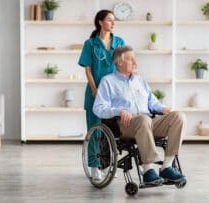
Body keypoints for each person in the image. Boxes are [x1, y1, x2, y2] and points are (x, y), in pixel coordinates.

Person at [93, 46, 186, 186]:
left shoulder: (140, 80)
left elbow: (152, 101)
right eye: (131, 59)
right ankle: (148, 170)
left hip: (149, 122)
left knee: (179, 116)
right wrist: (118, 111)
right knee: (143, 120)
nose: (135, 62)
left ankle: (166, 166)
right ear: (119, 62)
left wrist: (163, 108)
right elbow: (98, 108)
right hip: (126, 125)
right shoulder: (108, 81)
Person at [78, 10, 125, 181]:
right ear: (100, 22)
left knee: (112, 132)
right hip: (95, 93)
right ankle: (94, 165)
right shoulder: (90, 44)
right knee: (94, 130)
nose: (113, 23)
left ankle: (107, 164)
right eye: (110, 20)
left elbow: (122, 67)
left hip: (114, 95)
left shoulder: (119, 42)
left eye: (114, 20)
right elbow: (88, 69)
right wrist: (94, 89)